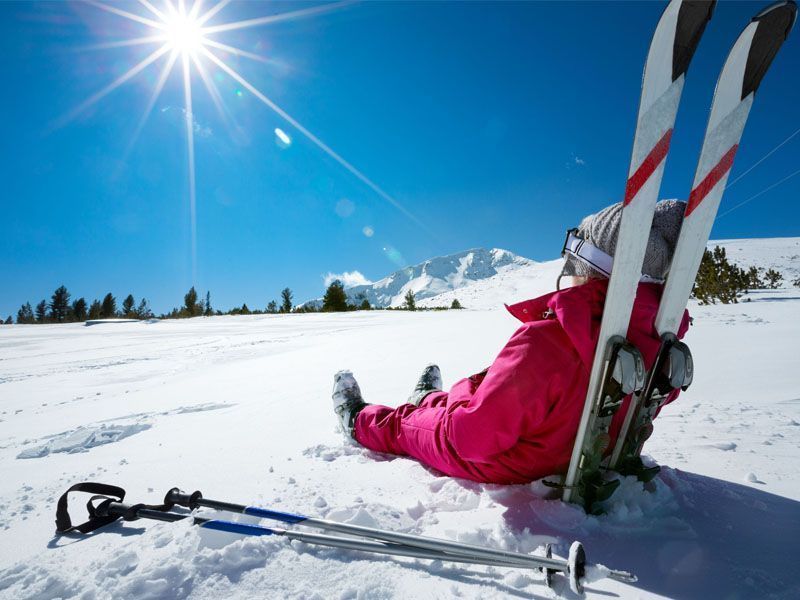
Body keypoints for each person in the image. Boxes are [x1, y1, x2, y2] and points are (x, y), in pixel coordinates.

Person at [331, 200, 690, 484]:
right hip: (566, 448)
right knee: (472, 394)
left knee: (412, 426)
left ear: (589, 268)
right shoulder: (657, 344)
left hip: (512, 463)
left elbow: (470, 438)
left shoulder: (547, 344)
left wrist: (452, 409)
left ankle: (359, 420)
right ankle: (430, 399)